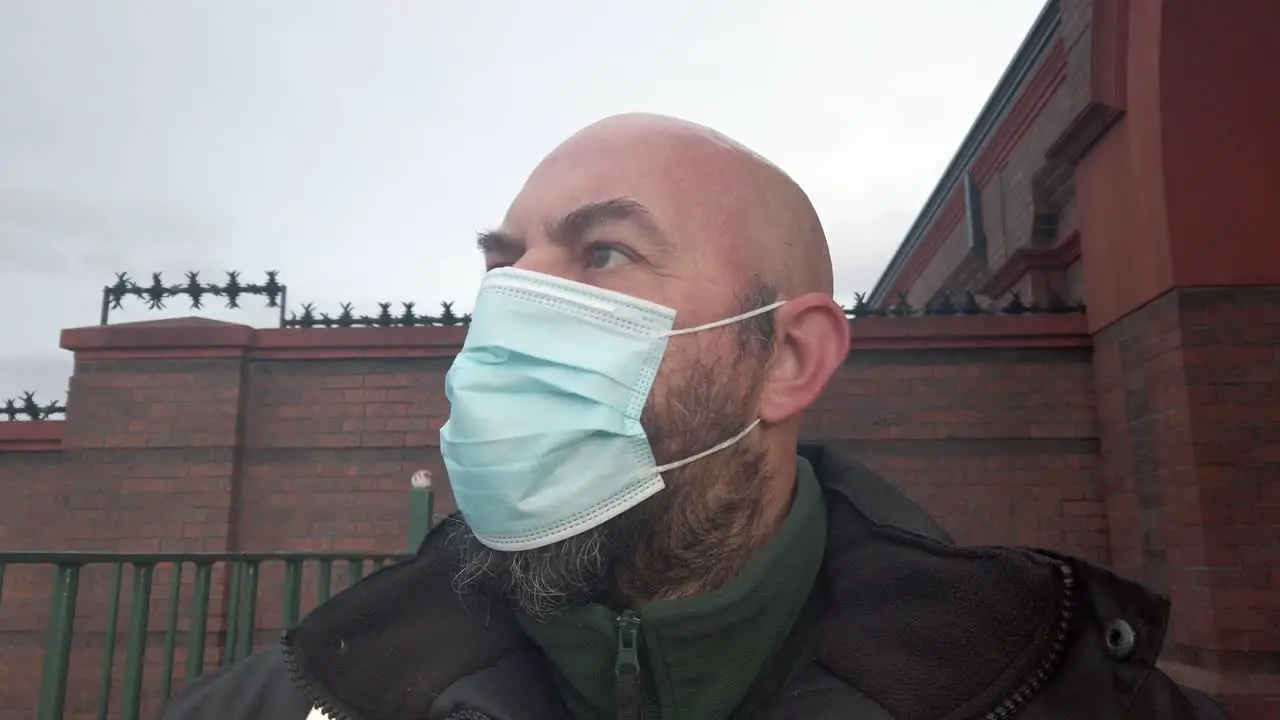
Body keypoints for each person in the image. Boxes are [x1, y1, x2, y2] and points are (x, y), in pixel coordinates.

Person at [162, 115, 1228, 720]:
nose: (508, 306)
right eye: (503, 262)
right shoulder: (307, 695)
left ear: (788, 358)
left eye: (602, 255)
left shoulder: (1068, 700)